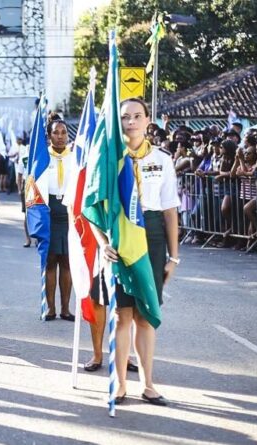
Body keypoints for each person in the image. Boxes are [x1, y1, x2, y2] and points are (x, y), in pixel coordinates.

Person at [92, 98, 180, 406]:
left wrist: (174, 256)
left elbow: (170, 210)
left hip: (152, 236)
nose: (131, 121)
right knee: (122, 315)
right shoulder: (109, 159)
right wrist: (103, 243)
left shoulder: (162, 159)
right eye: (125, 117)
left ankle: (148, 384)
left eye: (137, 116)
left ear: (147, 120)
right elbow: (92, 207)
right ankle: (120, 385)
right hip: (120, 238)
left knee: (145, 316)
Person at [44, 118, 75, 321]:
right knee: (50, 262)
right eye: (56, 132)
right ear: (49, 135)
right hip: (48, 210)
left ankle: (65, 308)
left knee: (67, 262)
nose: (61, 136)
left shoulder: (74, 158)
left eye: (64, 132)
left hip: (69, 211)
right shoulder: (42, 157)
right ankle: (50, 308)